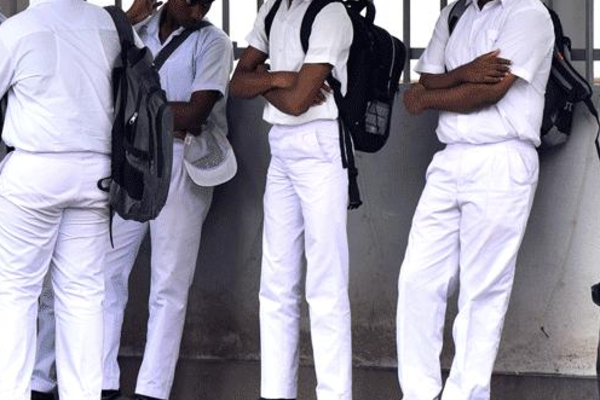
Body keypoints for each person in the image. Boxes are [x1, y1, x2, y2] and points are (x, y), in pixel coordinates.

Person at [396, 1, 554, 400]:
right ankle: (418, 393)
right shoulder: (455, 14)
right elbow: (428, 77)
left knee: (482, 293)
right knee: (417, 280)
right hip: (450, 157)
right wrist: (463, 73)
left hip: (502, 158)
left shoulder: (528, 13)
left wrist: (427, 98)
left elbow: (489, 93)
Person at [0, 0, 124, 398]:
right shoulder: (111, 26)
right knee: (83, 296)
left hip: (34, 172)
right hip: (97, 174)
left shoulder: (18, 30)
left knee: (16, 292)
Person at [230, 1, 353, 399]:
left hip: (321, 145)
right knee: (276, 284)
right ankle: (275, 392)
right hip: (281, 146)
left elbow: (300, 102)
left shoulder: (330, 13)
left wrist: (264, 81)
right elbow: (237, 83)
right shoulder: (271, 10)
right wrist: (281, 78)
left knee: (325, 284)